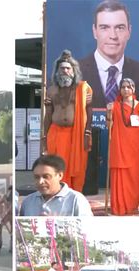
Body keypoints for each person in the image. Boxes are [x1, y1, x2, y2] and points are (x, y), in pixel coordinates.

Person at [78, 0, 139, 109]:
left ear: (129, 31)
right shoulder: (74, 73)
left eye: (119, 28)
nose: (113, 35)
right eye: (105, 28)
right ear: (94, 31)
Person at [42, 50, 93, 193]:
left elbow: (89, 111)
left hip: (75, 136)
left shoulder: (83, 88)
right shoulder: (51, 90)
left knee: (75, 168)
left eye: (68, 68)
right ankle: (57, 195)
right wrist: (44, 137)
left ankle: (73, 197)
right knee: (56, 167)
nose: (65, 71)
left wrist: (87, 132)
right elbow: (48, 115)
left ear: (73, 71)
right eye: (62, 68)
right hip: (56, 134)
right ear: (57, 71)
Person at [106, 78, 139, 215]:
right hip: (119, 146)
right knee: (120, 177)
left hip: (136, 147)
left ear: (133, 89)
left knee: (136, 179)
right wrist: (108, 114)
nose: (125, 90)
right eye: (123, 87)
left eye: (128, 87)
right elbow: (109, 127)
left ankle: (133, 206)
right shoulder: (114, 105)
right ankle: (120, 207)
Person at [19, 155, 93, 216]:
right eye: (37, 177)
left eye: (46, 176)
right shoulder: (28, 202)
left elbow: (87, 230)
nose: (40, 182)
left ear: (60, 175)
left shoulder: (76, 200)